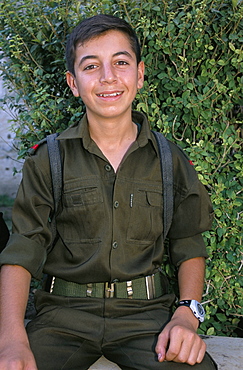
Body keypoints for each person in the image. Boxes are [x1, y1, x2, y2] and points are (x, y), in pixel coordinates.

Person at [0, 14, 217, 370]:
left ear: (140, 73)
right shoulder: (47, 160)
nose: (108, 77)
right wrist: (10, 340)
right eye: (91, 66)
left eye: (120, 62)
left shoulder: (169, 160)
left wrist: (186, 315)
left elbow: (188, 242)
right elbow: (23, 250)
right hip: (62, 319)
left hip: (146, 317)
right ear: (73, 82)